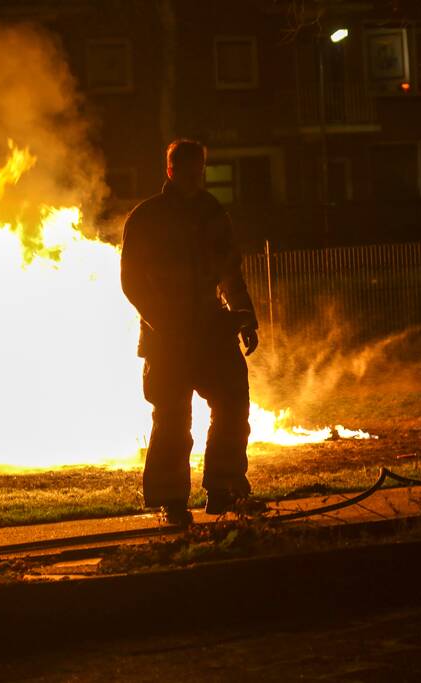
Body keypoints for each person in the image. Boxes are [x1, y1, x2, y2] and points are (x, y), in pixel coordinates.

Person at [121, 139, 260, 523]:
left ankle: (224, 489)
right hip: (167, 337)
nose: (195, 176)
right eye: (187, 169)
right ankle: (172, 501)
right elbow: (132, 282)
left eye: (200, 169)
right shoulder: (147, 218)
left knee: (233, 404)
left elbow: (231, 272)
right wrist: (162, 323)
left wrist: (244, 315)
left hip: (211, 330)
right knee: (173, 417)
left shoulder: (212, 213)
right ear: (170, 170)